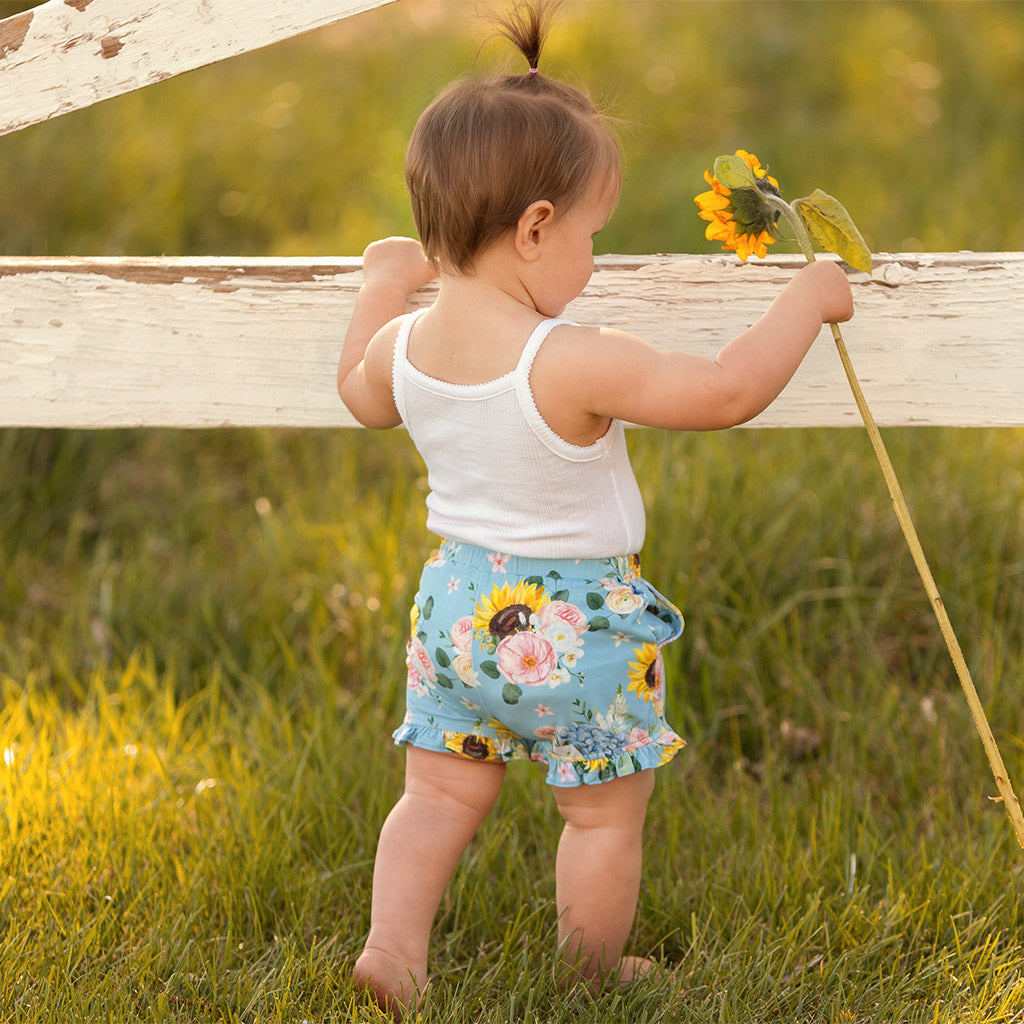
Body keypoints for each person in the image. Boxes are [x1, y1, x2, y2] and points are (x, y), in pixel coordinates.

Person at [337, 1, 853, 1014]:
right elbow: (721, 393)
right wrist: (806, 299)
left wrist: (380, 281)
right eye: (590, 236)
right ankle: (589, 966)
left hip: (453, 614)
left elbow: (357, 392)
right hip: (574, 630)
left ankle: (393, 948)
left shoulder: (406, 349)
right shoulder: (565, 357)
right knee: (601, 818)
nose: (593, 261)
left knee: (436, 793)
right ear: (534, 229)